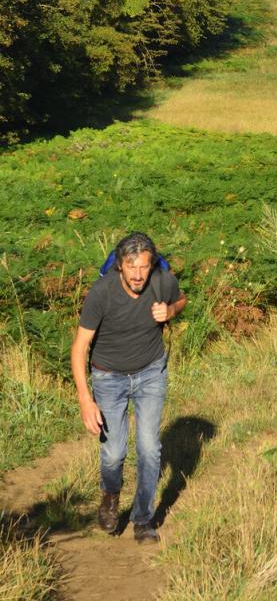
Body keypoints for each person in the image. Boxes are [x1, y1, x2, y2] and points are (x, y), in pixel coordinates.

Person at [70, 232, 187, 543]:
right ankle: (110, 496)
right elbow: (80, 347)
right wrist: (85, 399)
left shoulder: (162, 280)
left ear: (152, 265)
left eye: (144, 267)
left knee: (150, 449)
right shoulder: (101, 293)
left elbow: (181, 299)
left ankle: (143, 519)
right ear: (120, 266)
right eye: (131, 267)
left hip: (151, 373)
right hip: (109, 378)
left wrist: (170, 311)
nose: (138, 275)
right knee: (113, 454)